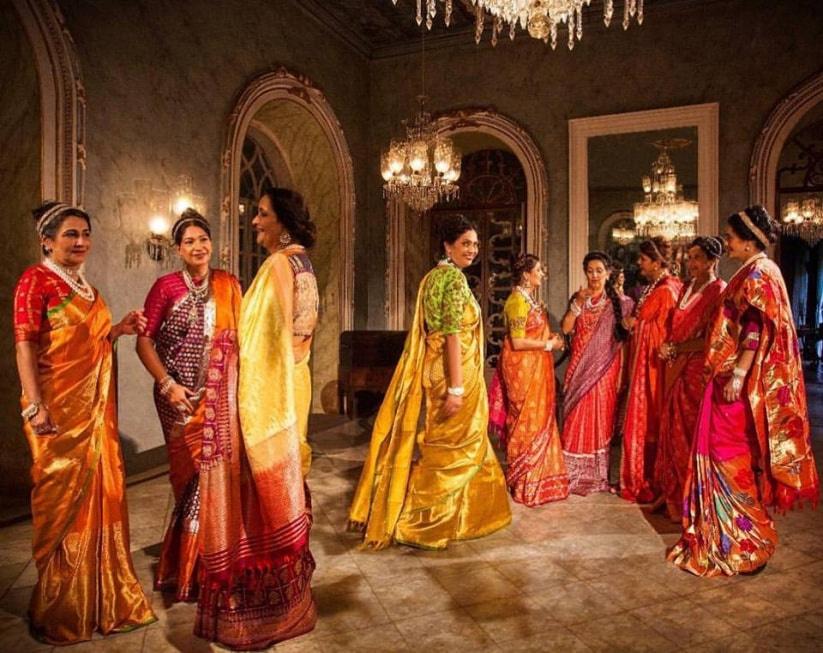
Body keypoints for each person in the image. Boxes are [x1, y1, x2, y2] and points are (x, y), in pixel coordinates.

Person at [13, 202, 155, 645]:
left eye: (85, 234)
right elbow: (25, 347)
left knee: (105, 492)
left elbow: (88, 344)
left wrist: (119, 330)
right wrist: (34, 406)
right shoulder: (34, 281)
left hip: (94, 417)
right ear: (47, 241)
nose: (81, 242)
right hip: (57, 412)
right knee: (59, 503)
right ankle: (64, 606)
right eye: (71, 234)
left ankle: (104, 595)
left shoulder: (84, 287)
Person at [193, 188, 318, 647]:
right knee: (290, 487)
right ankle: (290, 602)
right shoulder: (304, 264)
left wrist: (224, 346)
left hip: (269, 397)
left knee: (259, 504)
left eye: (262, 215)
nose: (254, 222)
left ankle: (259, 617)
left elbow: (263, 348)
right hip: (296, 386)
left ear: (282, 220)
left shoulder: (277, 267)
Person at [668, 206, 819, 576]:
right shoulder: (755, 271)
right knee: (723, 453)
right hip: (724, 379)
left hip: (734, 384)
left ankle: (741, 541)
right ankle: (726, 534)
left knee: (726, 454)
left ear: (750, 241)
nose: (727, 242)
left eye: (732, 237)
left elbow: (754, 330)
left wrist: (737, 374)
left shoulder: (759, 275)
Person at [349, 214, 511, 549]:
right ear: (447, 246)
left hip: (438, 371)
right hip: (452, 374)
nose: (473, 250)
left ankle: (452, 518)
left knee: (444, 447)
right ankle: (422, 524)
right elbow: (451, 335)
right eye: (465, 243)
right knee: (449, 452)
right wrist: (456, 387)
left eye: (476, 244)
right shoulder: (451, 280)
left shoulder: (435, 277)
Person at [136, 209, 242, 601]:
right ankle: (185, 565)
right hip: (175, 397)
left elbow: (241, 338)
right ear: (177, 249)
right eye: (189, 242)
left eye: (203, 239)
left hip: (217, 395)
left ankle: (204, 567)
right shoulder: (165, 287)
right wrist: (167, 385)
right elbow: (143, 341)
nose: (198, 247)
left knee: (212, 478)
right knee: (188, 478)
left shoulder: (229, 285)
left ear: (211, 243)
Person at [655, 237, 726, 521]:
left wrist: (676, 349)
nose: (691, 262)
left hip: (696, 371)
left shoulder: (718, 291)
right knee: (672, 430)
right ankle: (672, 495)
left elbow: (713, 338)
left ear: (712, 261)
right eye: (690, 256)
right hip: (675, 367)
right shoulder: (686, 287)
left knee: (691, 434)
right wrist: (668, 347)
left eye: (697, 258)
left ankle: (693, 500)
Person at [488, 254, 568, 505]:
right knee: (525, 421)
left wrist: (550, 341)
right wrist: (548, 344)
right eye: (539, 270)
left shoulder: (529, 300)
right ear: (526, 274)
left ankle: (543, 479)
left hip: (536, 367)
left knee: (539, 419)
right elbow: (517, 342)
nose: (542, 274)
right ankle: (525, 481)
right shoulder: (516, 302)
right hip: (522, 370)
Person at [560, 251, 633, 495]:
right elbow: (567, 328)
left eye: (599, 271)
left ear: (608, 273)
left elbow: (623, 340)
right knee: (574, 418)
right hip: (578, 366)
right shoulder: (579, 298)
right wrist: (577, 304)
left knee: (601, 419)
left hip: (605, 370)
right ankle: (573, 474)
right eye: (590, 271)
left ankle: (597, 476)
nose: (594, 276)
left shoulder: (620, 303)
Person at [620, 237, 683, 502]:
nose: (639, 264)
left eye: (644, 260)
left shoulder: (667, 289)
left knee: (651, 420)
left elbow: (664, 334)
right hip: (645, 365)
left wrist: (635, 323)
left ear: (657, 263)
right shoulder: (657, 286)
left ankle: (649, 479)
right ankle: (643, 477)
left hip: (653, 368)